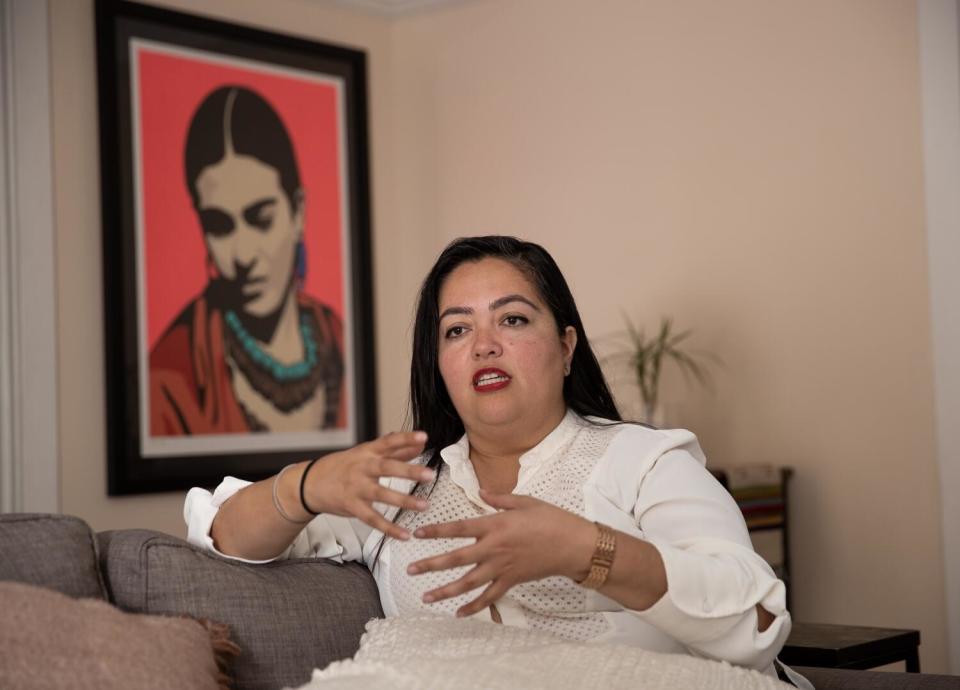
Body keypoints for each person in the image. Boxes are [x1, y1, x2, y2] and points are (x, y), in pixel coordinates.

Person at [185, 236, 798, 682]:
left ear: (565, 347)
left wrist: (589, 552)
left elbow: (756, 624)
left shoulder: (643, 460)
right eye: (457, 330)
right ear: (440, 364)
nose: (484, 345)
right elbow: (225, 535)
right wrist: (307, 486)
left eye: (512, 319)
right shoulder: (401, 483)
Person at [150, 85, 345, 436]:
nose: (241, 255)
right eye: (219, 226)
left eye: (260, 219)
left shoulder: (339, 338)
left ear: (298, 211)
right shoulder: (170, 375)